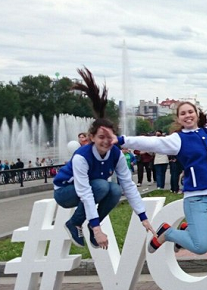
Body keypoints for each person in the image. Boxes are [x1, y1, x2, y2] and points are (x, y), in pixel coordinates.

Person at [119, 73, 207, 255]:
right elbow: (150, 143)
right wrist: (121, 140)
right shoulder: (177, 139)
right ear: (179, 119)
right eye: (183, 114)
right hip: (196, 199)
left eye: (190, 112)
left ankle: (188, 229)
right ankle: (169, 233)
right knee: (201, 247)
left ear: (197, 114)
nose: (188, 116)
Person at [53, 68, 154, 249]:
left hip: (90, 189)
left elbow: (128, 185)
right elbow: (85, 192)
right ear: (91, 138)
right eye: (101, 137)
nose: (105, 142)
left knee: (115, 190)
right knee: (101, 186)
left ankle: (92, 226)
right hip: (64, 192)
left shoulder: (116, 154)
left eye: (109, 137)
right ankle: (74, 223)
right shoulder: (82, 157)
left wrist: (143, 217)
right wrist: (98, 229)